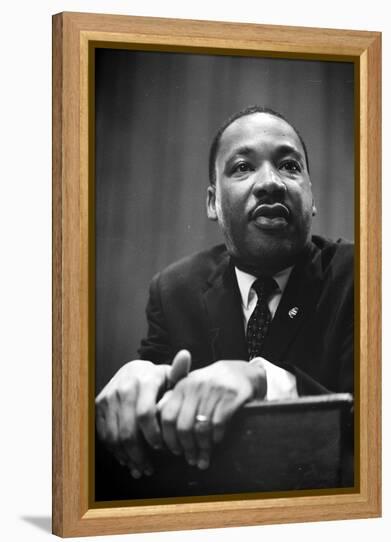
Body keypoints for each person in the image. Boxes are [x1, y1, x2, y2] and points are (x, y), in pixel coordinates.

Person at [95, 105, 353, 482]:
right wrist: (139, 377)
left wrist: (260, 378)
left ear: (312, 198)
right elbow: (155, 381)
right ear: (213, 202)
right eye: (243, 167)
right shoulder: (174, 290)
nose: (271, 182)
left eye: (289, 166)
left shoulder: (363, 275)